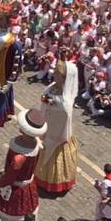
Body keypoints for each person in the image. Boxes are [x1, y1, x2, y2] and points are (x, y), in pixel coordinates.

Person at [0, 109, 47, 221]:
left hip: (15, 189)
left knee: (5, 210)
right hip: (29, 186)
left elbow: (10, 177)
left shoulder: (20, 156)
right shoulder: (36, 144)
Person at [35, 57, 80, 193]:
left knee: (53, 157)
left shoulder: (65, 103)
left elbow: (62, 121)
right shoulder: (52, 87)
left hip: (55, 136)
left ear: (65, 78)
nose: (53, 73)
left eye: (57, 72)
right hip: (45, 127)